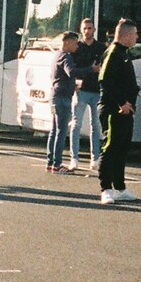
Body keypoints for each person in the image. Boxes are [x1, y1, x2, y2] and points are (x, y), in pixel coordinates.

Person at [96, 19, 140, 203]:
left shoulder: (124, 54)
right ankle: (105, 188)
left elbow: (123, 80)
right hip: (113, 110)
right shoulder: (113, 52)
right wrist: (121, 102)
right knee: (110, 147)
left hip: (126, 110)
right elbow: (104, 79)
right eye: (136, 34)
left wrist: (138, 90)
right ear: (127, 35)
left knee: (122, 149)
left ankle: (120, 187)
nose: (137, 37)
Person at [46, 31, 82, 173]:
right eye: (75, 43)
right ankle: (57, 164)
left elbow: (59, 77)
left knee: (54, 130)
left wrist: (72, 85)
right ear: (67, 42)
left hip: (54, 96)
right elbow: (71, 72)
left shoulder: (57, 55)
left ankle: (50, 162)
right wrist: (90, 69)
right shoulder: (66, 57)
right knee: (61, 131)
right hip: (62, 98)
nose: (77, 46)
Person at [69, 18, 102, 167]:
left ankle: (95, 158)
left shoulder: (101, 48)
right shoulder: (77, 48)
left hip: (97, 90)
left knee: (96, 125)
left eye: (90, 28)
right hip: (81, 90)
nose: (87, 31)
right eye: (84, 28)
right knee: (76, 124)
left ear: (94, 30)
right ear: (81, 30)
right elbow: (71, 69)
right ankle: (74, 158)